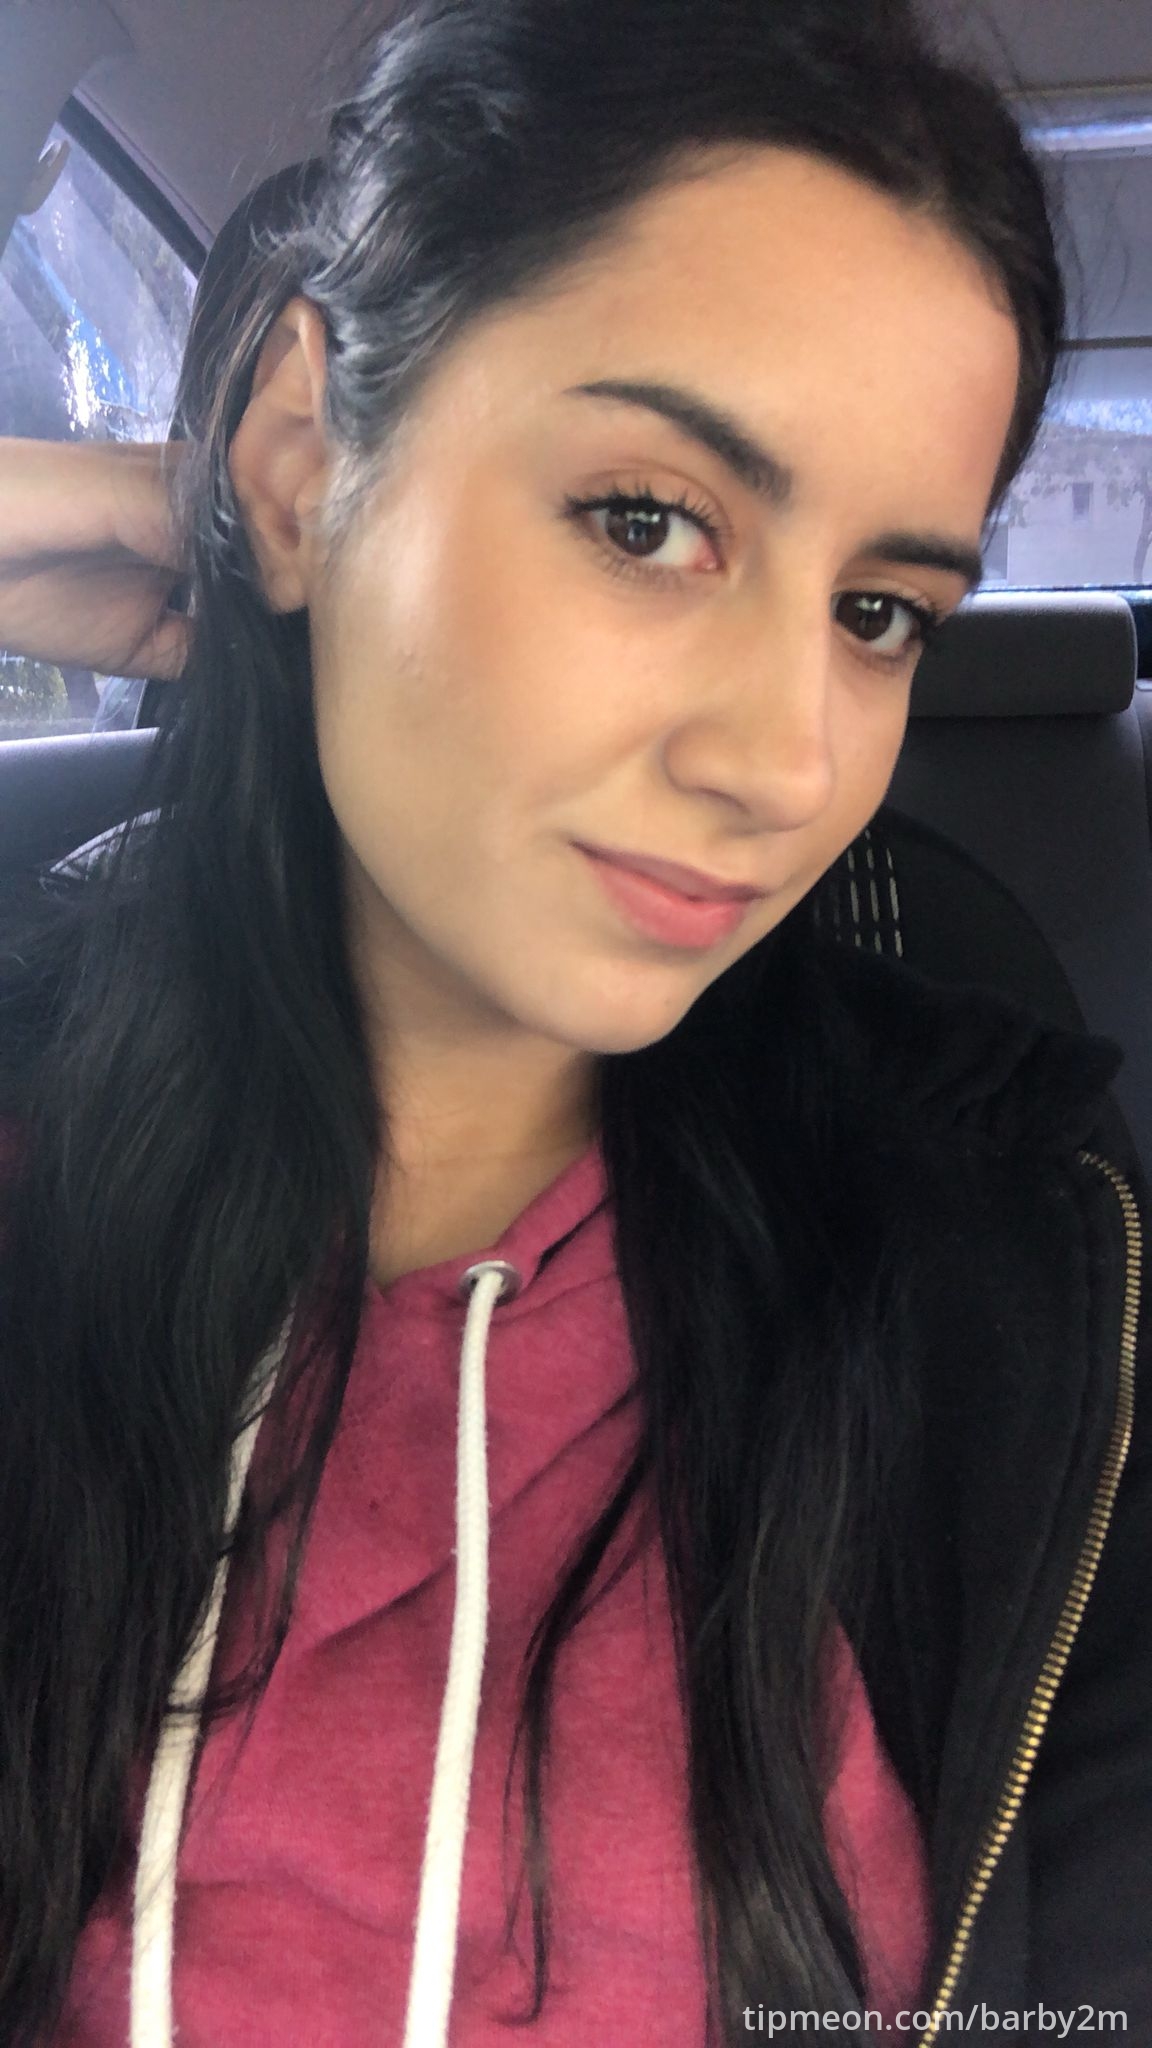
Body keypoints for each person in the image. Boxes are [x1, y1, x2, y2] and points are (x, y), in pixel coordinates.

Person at [0, 0, 1147, 2042]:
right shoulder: (33, 1164)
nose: (788, 761)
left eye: (878, 613)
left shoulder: (1017, 1280)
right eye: (647, 519)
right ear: (300, 455)